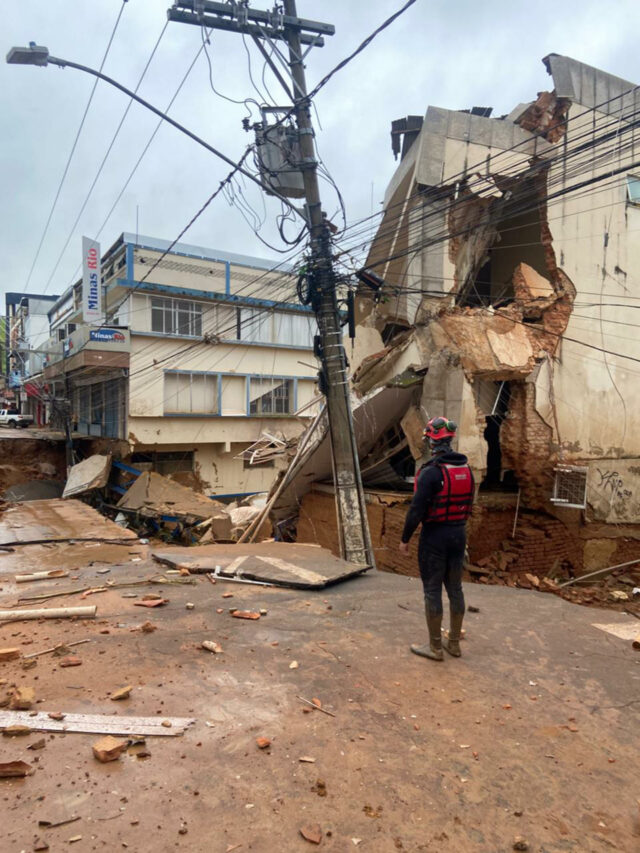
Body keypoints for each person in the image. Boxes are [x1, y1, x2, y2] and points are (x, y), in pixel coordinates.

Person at [399, 417, 475, 661]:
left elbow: (416, 510)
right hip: (458, 534)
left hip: (435, 537)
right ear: (450, 441)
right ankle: (453, 644)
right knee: (455, 588)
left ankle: (434, 647)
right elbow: (469, 505)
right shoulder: (466, 470)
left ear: (432, 442)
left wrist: (405, 538)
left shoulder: (431, 473)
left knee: (432, 591)